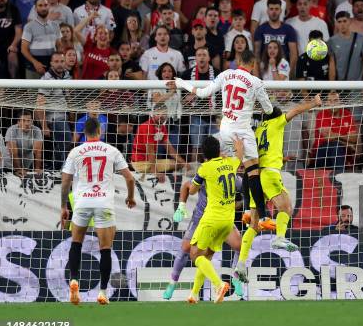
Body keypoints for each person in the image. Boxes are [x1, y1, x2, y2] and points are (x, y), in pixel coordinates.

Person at [174, 49, 274, 257]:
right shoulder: (255, 82)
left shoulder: (226, 74)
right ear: (253, 64)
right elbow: (269, 109)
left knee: (226, 168)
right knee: (253, 172)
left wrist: (180, 83)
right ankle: (262, 216)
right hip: (243, 131)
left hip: (225, 129)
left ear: (238, 61)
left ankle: (245, 212)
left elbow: (201, 93)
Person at [235, 95, 323, 282]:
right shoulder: (276, 123)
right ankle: (279, 237)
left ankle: (241, 264)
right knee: (286, 208)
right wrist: (314, 103)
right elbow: (297, 110)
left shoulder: (257, 131)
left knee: (254, 224)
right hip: (269, 174)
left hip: (254, 177)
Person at [62, 117, 136, 305]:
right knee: (105, 248)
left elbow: (65, 182)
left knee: (76, 243)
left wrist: (64, 206)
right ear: (100, 131)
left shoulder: (75, 151)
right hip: (104, 203)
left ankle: (73, 279)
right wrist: (130, 197)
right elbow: (130, 179)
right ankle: (102, 292)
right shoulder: (112, 150)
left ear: (84, 133)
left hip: (82, 203)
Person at [164, 162, 244, 300]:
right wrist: (181, 207)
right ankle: (172, 284)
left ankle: (235, 279)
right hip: (201, 219)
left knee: (239, 246)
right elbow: (187, 186)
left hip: (221, 219)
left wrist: (242, 205)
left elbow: (245, 193)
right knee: (186, 249)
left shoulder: (233, 179)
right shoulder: (207, 175)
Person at [184, 136, 241, 304]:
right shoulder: (231, 162)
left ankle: (219, 284)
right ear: (219, 150)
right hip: (228, 220)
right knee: (206, 256)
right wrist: (238, 146)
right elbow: (239, 156)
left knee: (195, 255)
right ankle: (194, 294)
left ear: (203, 154)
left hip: (212, 218)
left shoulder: (205, 168)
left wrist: (193, 183)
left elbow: (193, 191)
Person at [130, 104, 187, 181]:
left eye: (163, 114)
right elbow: (150, 151)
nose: (161, 116)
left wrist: (185, 163)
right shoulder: (147, 126)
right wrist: (155, 172)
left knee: (180, 164)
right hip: (140, 163)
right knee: (177, 165)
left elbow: (170, 150)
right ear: (153, 114)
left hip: (149, 161)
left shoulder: (162, 128)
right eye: (158, 113)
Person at [35, 52, 72, 169]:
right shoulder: (47, 79)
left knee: (62, 145)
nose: (59, 64)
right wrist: (44, 126)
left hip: (64, 116)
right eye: (56, 62)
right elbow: (39, 103)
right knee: (66, 142)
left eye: (61, 61)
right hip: (54, 117)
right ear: (51, 63)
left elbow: (69, 96)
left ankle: (57, 168)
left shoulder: (67, 75)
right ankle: (60, 168)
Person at [310, 90, 358, 170]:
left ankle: (340, 174)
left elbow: (354, 138)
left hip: (343, 153)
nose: (333, 103)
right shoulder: (322, 114)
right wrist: (348, 144)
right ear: (326, 103)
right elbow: (329, 138)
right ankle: (339, 176)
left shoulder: (347, 114)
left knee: (337, 146)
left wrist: (336, 135)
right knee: (335, 145)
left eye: (336, 100)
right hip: (322, 154)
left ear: (341, 101)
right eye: (330, 100)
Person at [253, 0, 297, 74]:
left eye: (276, 9)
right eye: (271, 9)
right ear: (267, 11)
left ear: (281, 11)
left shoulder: (289, 29)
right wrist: (258, 74)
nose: (274, 12)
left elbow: (293, 55)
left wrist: (289, 74)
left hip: (283, 70)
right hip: (265, 71)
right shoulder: (260, 29)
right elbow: (256, 53)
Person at [21, 0, 60, 79]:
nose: (43, 8)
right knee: (33, 92)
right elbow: (23, 49)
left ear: (49, 6)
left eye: (45, 5)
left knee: (52, 91)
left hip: (52, 68)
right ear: (35, 8)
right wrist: (35, 63)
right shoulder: (29, 26)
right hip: (33, 67)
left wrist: (57, 63)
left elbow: (59, 47)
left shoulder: (55, 25)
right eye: (40, 5)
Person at [328, 11, 363, 81]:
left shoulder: (360, 39)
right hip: (341, 86)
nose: (342, 24)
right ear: (336, 24)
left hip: (358, 86)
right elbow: (332, 64)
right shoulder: (332, 41)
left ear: (350, 21)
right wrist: (332, 88)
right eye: (339, 22)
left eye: (345, 21)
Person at [5, 109, 43, 178]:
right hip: (9, 164)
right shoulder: (12, 130)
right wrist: (18, 169)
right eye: (23, 120)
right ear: (18, 122)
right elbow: (13, 152)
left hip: (26, 165)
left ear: (32, 121)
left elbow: (38, 151)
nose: (27, 123)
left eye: (29, 121)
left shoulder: (36, 130)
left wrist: (37, 168)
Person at [0, 0, 22, 79]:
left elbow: (19, 32)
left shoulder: (14, 10)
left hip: (9, 44)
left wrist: (13, 45)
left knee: (12, 55)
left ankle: (14, 85)